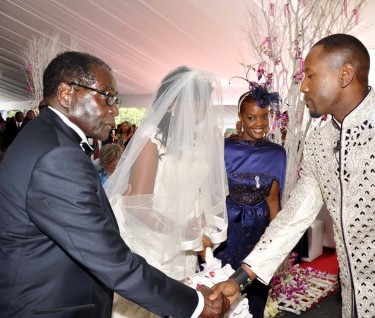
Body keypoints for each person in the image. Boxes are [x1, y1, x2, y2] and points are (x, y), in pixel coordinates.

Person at [212, 33, 375, 317]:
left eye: (311, 76)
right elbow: (292, 220)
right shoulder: (319, 143)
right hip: (350, 305)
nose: (303, 87)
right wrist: (240, 279)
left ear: (345, 74)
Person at [0, 51, 228, 318]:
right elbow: (109, 258)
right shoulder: (57, 155)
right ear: (65, 95)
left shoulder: (44, 135)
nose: (115, 109)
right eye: (107, 96)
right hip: (46, 305)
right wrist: (194, 303)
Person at [105, 66, 229, 318]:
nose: (201, 110)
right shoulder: (151, 140)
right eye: (195, 102)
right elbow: (135, 206)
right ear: (171, 101)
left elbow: (201, 194)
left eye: (204, 103)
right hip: (151, 245)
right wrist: (182, 229)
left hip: (184, 247)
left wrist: (202, 224)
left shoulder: (198, 141)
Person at [212, 83, 286, 318]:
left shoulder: (277, 153)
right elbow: (211, 197)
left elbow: (273, 201)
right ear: (240, 117)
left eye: (264, 117)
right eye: (252, 117)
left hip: (259, 233)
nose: (259, 123)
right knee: (220, 297)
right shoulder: (224, 148)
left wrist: (275, 248)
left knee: (255, 296)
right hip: (227, 232)